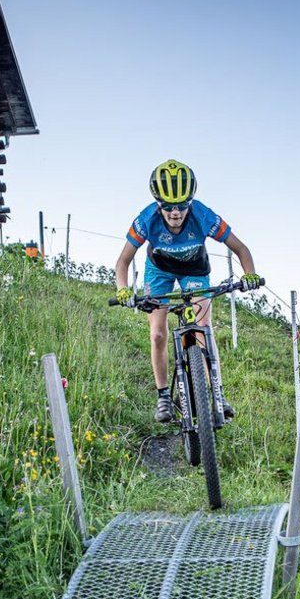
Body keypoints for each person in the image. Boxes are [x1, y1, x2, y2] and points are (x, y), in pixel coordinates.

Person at [114, 159, 264, 423]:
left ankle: (217, 393)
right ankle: (163, 397)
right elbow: (123, 261)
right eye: (168, 207)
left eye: (182, 206)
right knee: (158, 333)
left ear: (190, 202)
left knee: (202, 328)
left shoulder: (203, 215)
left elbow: (240, 248)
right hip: (159, 270)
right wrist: (123, 290)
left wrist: (249, 274)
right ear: (158, 204)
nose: (175, 213)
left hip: (195, 269)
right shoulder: (146, 219)